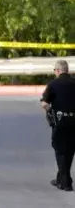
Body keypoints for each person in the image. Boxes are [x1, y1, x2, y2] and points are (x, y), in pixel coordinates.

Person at [40, 60, 75, 191]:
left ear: (58, 70)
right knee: (70, 150)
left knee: (60, 150)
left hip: (60, 121)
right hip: (74, 122)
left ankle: (66, 182)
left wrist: (48, 110)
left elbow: (44, 103)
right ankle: (62, 178)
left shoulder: (53, 84)